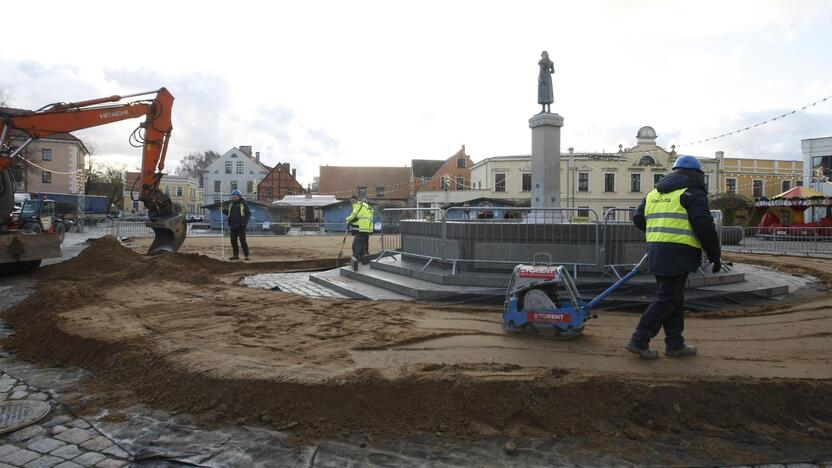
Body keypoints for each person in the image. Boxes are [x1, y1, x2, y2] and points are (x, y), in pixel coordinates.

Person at [627, 155, 721, 359]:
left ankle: (675, 344)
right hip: (679, 251)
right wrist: (715, 254)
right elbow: (704, 226)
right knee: (667, 299)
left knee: (673, 299)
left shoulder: (654, 193)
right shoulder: (692, 192)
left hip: (657, 249)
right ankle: (639, 339)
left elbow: (637, 218)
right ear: (696, 174)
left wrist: (658, 234)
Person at [345, 195, 374, 270]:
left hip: (361, 230)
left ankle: (355, 261)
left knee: (356, 245)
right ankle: (364, 260)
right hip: (366, 230)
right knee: (364, 246)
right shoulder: (370, 208)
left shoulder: (360, 206)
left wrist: (348, 220)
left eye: (352, 201)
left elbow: (354, 216)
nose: (352, 203)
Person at [224, 189, 251, 260]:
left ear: (239, 196)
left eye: (235, 196)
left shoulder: (243, 204)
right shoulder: (231, 204)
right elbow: (229, 213)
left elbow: (248, 214)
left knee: (242, 241)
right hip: (232, 225)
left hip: (241, 226)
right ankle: (235, 255)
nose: (233, 197)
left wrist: (245, 223)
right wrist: (223, 210)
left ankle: (246, 255)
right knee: (233, 241)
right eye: (233, 196)